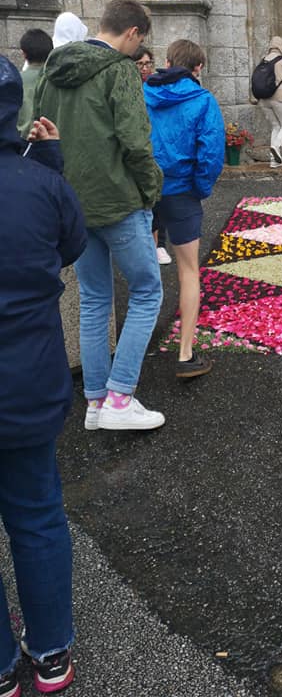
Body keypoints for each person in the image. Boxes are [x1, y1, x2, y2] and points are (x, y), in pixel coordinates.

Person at [34, 0, 165, 432]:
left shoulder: (53, 69)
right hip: (118, 201)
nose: (138, 50)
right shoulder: (119, 70)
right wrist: (151, 189)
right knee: (148, 291)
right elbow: (135, 140)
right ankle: (120, 396)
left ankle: (94, 402)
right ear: (132, 33)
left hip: (72, 203)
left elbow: (37, 130)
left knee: (93, 299)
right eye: (140, 41)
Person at [0, 56, 86, 696]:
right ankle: (50, 653)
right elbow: (68, 245)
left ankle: (2, 666)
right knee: (34, 515)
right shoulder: (39, 185)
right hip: (25, 376)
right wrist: (46, 168)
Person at [144, 39, 225, 378]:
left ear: (166, 61)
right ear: (199, 68)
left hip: (145, 188)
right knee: (188, 270)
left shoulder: (143, 93)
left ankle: (138, 343)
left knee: (144, 270)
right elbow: (210, 152)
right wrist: (200, 189)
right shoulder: (203, 100)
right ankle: (185, 354)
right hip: (181, 192)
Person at [132, 47, 172, 265]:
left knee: (158, 199)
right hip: (138, 147)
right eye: (140, 64)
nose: (146, 68)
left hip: (155, 147)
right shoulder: (127, 88)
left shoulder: (157, 87)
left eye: (148, 63)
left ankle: (160, 244)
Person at [257, 36, 282, 167]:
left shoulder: (263, 60)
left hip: (263, 99)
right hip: (279, 98)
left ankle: (273, 161)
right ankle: (276, 146)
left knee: (275, 126)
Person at [16, 28, 53, 137]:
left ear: (24, 54)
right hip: (50, 139)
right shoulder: (57, 79)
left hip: (20, 144)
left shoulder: (14, 80)